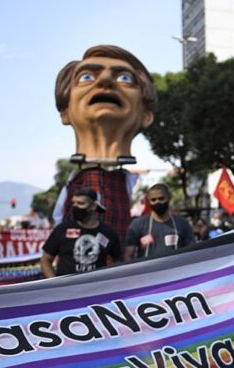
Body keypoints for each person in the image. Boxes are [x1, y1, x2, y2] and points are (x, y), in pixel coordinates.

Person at [53, 45, 158, 246]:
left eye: (124, 78)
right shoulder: (72, 184)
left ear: (146, 115)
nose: (106, 80)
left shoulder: (133, 186)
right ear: (66, 112)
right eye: (86, 77)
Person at [40, 188, 122, 278]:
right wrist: (55, 283)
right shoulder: (62, 229)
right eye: (73, 203)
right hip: (67, 289)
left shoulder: (108, 233)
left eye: (81, 203)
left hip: (96, 289)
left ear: (93, 206)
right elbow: (45, 260)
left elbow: (118, 261)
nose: (75, 207)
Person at [124, 183, 195, 260]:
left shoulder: (182, 223)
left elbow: (191, 252)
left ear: (169, 198)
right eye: (153, 200)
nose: (157, 202)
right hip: (148, 270)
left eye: (161, 199)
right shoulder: (137, 224)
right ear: (148, 201)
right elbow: (128, 255)